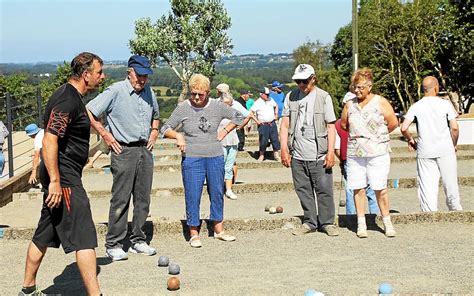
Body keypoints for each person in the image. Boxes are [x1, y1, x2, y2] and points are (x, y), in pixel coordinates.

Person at [19, 52, 104, 296]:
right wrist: (55, 181)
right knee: (84, 236)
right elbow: (50, 139)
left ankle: (27, 289)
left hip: (63, 174)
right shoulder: (67, 99)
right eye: (99, 72)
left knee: (44, 232)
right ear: (86, 75)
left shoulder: (69, 95)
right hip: (64, 178)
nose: (102, 76)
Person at [86, 55, 160, 261]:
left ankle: (138, 239)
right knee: (121, 198)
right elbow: (89, 111)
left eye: (146, 76)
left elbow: (156, 115)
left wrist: (154, 132)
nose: (143, 80)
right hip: (123, 150)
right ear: (130, 73)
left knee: (143, 198)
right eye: (140, 75)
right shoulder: (115, 91)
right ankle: (114, 244)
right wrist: (106, 136)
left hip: (144, 150)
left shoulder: (149, 92)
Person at [161, 73, 244, 248]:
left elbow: (239, 116)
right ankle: (194, 232)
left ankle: (219, 229)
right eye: (193, 93)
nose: (197, 97)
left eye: (200, 94)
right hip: (192, 158)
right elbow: (165, 128)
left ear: (207, 92)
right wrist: (178, 136)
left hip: (215, 156)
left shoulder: (217, 106)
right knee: (193, 194)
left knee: (216, 193)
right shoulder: (183, 108)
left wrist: (225, 131)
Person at [280, 64, 339, 237]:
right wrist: (284, 149)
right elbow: (284, 124)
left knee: (324, 190)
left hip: (318, 153)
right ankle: (310, 222)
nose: (301, 85)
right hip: (297, 152)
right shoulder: (291, 96)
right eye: (298, 81)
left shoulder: (323, 97)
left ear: (313, 78)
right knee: (303, 190)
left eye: (304, 81)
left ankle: (327, 222)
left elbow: (331, 126)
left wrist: (330, 153)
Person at [341, 67, 398, 238]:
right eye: (355, 87)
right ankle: (361, 223)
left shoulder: (380, 102)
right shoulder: (349, 104)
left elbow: (393, 122)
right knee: (357, 188)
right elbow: (344, 124)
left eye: (361, 87)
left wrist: (378, 135)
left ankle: (386, 221)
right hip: (355, 151)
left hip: (378, 150)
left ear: (369, 87)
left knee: (380, 187)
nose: (357, 91)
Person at [401, 76, 462, 212]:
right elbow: (455, 128)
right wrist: (454, 143)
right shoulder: (445, 104)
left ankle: (429, 213)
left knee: (427, 185)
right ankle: (455, 210)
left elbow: (404, 128)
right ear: (436, 87)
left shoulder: (416, 106)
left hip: (425, 150)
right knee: (450, 183)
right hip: (445, 149)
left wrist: (411, 140)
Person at [335, 117, 379, 215]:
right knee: (371, 190)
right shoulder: (367, 119)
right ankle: (375, 215)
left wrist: (342, 160)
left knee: (351, 190)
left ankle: (351, 216)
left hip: (349, 159)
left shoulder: (338, 124)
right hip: (368, 156)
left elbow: (337, 148)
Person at [217, 89, 255, 200]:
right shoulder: (216, 112)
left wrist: (240, 126)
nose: (228, 107)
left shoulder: (234, 111)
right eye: (226, 105)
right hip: (220, 142)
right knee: (220, 166)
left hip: (233, 140)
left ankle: (229, 190)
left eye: (230, 105)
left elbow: (248, 115)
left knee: (229, 166)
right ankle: (218, 189)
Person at [250, 87, 281, 162]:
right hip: (263, 124)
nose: (268, 96)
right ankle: (261, 155)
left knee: (275, 139)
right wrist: (257, 121)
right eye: (266, 94)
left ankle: (276, 154)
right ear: (261, 94)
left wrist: (276, 114)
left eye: (268, 94)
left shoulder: (271, 100)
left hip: (272, 122)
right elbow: (251, 113)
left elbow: (276, 105)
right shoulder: (257, 102)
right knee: (263, 140)